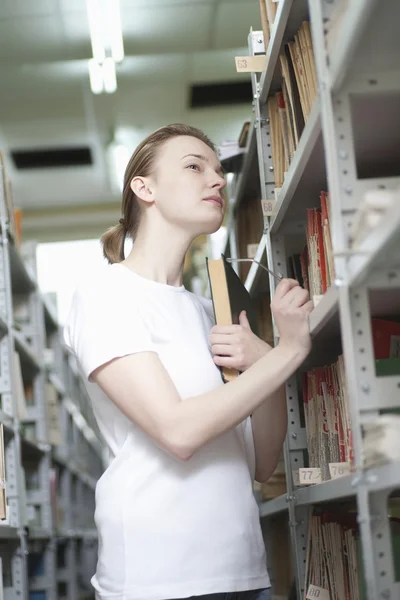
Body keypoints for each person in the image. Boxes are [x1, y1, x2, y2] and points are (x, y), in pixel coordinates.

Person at [64, 123, 313, 600]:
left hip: (243, 570)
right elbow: (178, 432)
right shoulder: (106, 294)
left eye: (219, 171)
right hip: (158, 578)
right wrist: (289, 352)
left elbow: (261, 462)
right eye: (195, 167)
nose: (217, 180)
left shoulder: (208, 311)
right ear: (145, 188)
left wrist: (266, 361)